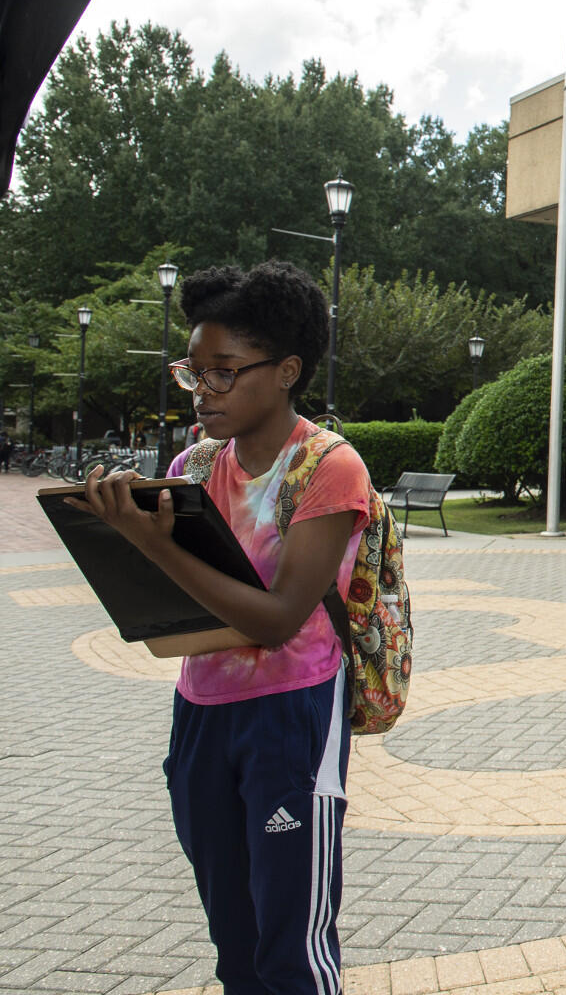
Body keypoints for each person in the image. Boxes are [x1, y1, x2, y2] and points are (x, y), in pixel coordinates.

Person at [65, 260, 372, 993]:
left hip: (291, 714)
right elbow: (168, 602)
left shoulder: (328, 467)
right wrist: (114, 534)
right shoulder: (194, 466)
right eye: (193, 372)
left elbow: (276, 621)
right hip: (201, 712)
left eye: (224, 372)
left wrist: (151, 541)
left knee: (292, 950)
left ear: (287, 371)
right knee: (234, 943)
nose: (203, 391)